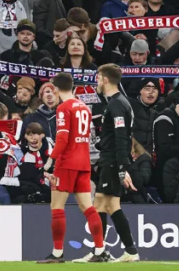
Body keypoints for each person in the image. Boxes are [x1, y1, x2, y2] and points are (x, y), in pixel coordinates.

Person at [41, 73, 105, 263]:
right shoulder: (84, 107)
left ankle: (58, 253)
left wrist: (50, 160)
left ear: (55, 88)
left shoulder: (63, 108)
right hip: (84, 163)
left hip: (67, 163)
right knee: (88, 207)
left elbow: (62, 139)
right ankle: (100, 249)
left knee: (57, 207)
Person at [82, 64, 138, 263]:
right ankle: (107, 251)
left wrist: (122, 167)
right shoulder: (118, 103)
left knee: (107, 205)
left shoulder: (116, 104)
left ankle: (114, 251)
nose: (96, 82)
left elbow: (122, 137)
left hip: (113, 161)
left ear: (105, 79)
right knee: (104, 205)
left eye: (98, 78)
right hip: (111, 160)